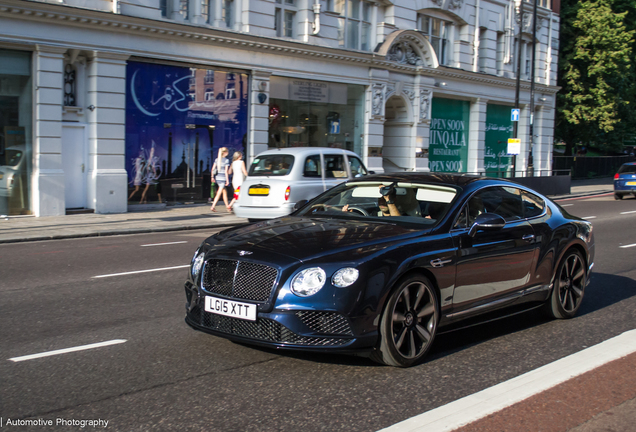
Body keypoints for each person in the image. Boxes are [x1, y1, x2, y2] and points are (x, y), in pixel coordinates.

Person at [210, 147, 231, 212]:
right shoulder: (226, 160)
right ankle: (213, 206)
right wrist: (227, 180)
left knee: (224, 192)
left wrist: (212, 177)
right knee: (219, 193)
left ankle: (227, 206)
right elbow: (226, 171)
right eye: (227, 151)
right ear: (224, 153)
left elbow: (213, 169)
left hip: (217, 178)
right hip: (223, 178)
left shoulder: (217, 160)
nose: (228, 153)